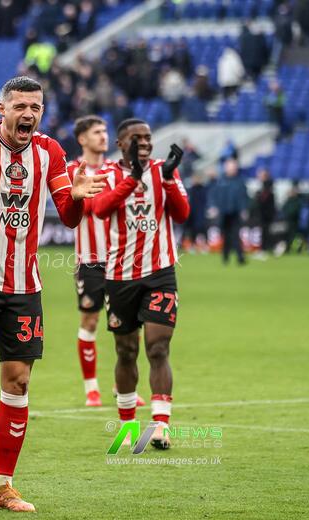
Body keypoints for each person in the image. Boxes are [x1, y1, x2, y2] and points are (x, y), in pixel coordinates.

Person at [0, 76, 103, 518]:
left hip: (25, 284)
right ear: (2, 109)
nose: (28, 114)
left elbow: (68, 217)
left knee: (18, 382)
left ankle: (2, 486)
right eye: (20, 107)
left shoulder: (50, 151)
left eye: (36, 107)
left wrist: (80, 199)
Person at [92, 118, 189, 451]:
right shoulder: (106, 173)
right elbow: (101, 209)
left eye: (148, 137)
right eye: (137, 138)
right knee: (126, 350)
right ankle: (128, 424)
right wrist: (132, 178)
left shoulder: (165, 170)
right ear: (121, 144)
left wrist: (169, 180)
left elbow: (182, 213)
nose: (145, 142)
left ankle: (161, 424)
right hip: (119, 277)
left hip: (160, 272)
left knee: (158, 348)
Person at [68, 115, 143, 408]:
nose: (103, 136)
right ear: (82, 139)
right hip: (89, 260)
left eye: (104, 131)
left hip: (120, 259)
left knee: (128, 325)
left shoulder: (116, 170)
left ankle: (122, 384)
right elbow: (84, 207)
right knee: (90, 319)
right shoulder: (74, 171)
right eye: (96, 132)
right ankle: (91, 389)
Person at [209, 158, 248, 265]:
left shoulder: (240, 181)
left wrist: (243, 209)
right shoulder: (221, 181)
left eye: (233, 167)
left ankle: (240, 258)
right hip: (223, 213)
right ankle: (225, 257)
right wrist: (213, 207)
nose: (232, 169)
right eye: (230, 167)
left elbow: (243, 197)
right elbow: (214, 196)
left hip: (235, 212)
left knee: (236, 235)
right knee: (225, 236)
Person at [254, 167, 276, 255]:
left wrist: (258, 196)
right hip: (266, 213)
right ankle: (266, 248)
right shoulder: (267, 186)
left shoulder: (267, 186)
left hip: (266, 214)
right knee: (265, 231)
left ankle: (264, 249)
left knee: (266, 231)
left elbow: (263, 199)